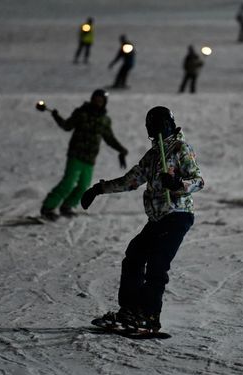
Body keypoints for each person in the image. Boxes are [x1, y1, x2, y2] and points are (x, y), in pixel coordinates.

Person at [83, 106, 204, 333]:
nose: (156, 129)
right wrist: (99, 189)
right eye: (152, 125)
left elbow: (198, 180)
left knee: (158, 264)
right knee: (134, 257)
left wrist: (178, 185)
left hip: (177, 214)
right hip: (157, 218)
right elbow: (131, 180)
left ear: (170, 124)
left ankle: (149, 316)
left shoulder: (180, 148)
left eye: (160, 124)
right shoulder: (152, 156)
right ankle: (130, 310)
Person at [40, 89, 127, 220]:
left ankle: (67, 206)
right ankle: (48, 207)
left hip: (90, 159)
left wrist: (121, 149)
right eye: (96, 99)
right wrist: (56, 116)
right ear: (92, 99)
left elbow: (109, 138)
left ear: (104, 103)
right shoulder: (82, 113)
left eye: (101, 100)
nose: (98, 102)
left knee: (83, 186)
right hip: (76, 155)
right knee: (68, 183)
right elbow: (67, 126)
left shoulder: (104, 120)